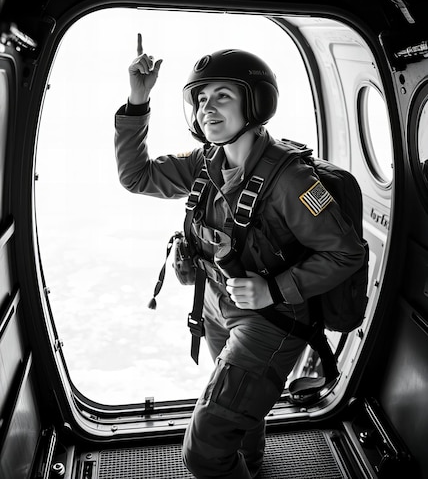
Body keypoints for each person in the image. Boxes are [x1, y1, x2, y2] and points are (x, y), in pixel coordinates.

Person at [114, 41, 367, 479]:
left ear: (255, 103)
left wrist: (273, 288)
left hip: (271, 317)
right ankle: (250, 465)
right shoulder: (204, 162)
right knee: (238, 423)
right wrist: (138, 102)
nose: (206, 108)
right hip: (216, 303)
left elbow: (346, 253)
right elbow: (137, 177)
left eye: (222, 96)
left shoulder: (291, 180)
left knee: (205, 449)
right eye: (200, 98)